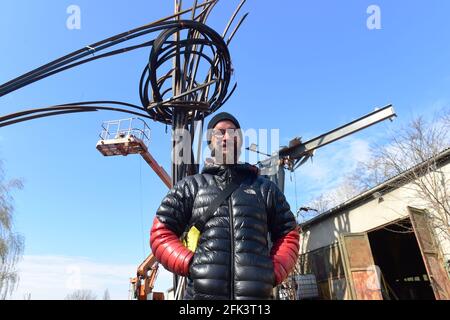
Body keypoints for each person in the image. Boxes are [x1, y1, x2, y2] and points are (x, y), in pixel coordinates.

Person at [150, 112, 299, 300]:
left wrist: (274, 271)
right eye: (220, 132)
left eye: (233, 132)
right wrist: (189, 264)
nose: (227, 137)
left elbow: (289, 234)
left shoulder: (265, 188)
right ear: (211, 141)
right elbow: (160, 233)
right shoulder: (190, 187)